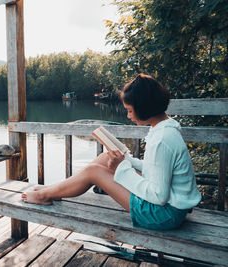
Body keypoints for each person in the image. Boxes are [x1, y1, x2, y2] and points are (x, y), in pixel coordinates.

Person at [21, 73, 201, 230]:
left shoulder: (162, 139)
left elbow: (158, 196)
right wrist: (127, 160)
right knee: (103, 157)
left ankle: (45, 195)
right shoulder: (163, 129)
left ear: (145, 107)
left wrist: (122, 167)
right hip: (169, 206)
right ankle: (55, 190)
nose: (129, 116)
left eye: (130, 111)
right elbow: (155, 169)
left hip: (163, 215)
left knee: (94, 172)